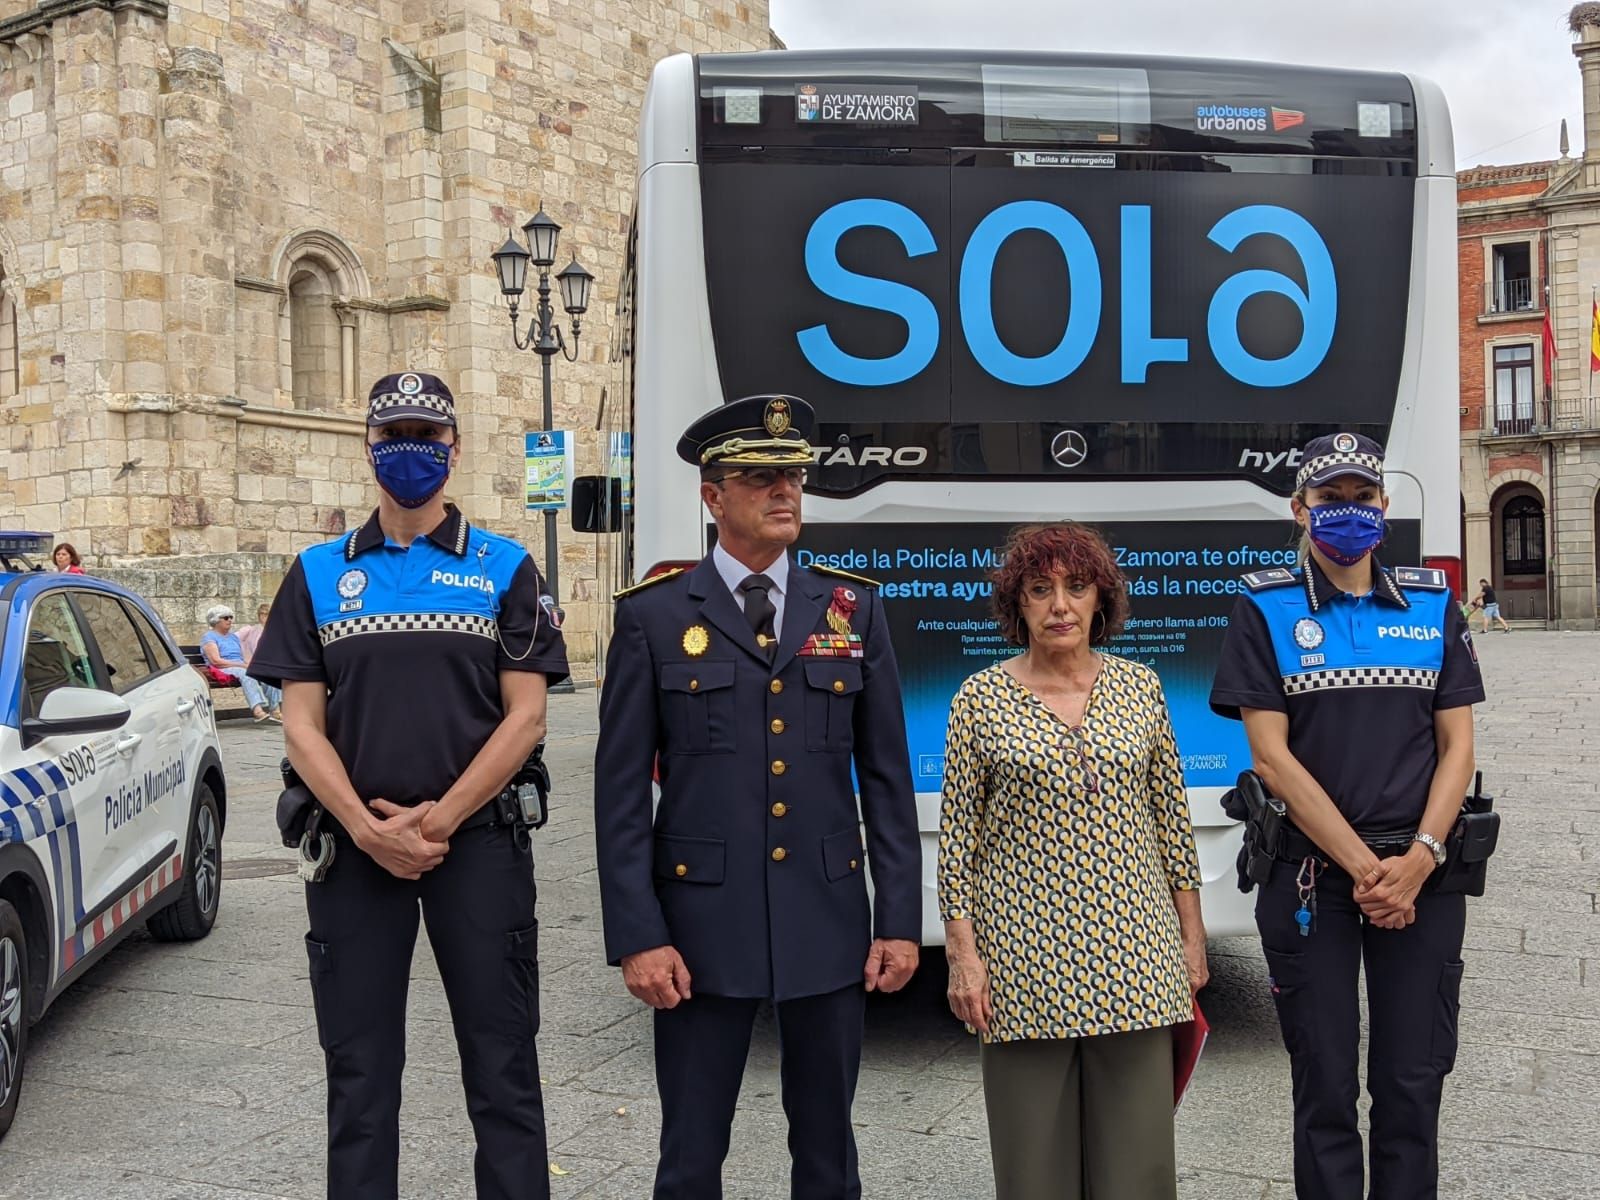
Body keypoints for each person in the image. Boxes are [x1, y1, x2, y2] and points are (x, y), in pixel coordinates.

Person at [248, 370, 569, 1200]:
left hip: (482, 849)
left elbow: (526, 717)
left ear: (454, 449)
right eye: (394, 435)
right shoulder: (318, 572)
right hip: (354, 856)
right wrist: (363, 828)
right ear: (368, 446)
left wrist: (438, 823)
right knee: (358, 1080)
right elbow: (300, 723)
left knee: (504, 1073)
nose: (410, 450)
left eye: (427, 434)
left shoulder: (506, 567)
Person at [593, 393, 922, 1200]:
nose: (785, 492)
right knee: (692, 1155)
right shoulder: (657, 617)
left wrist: (899, 925)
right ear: (713, 495)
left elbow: (885, 779)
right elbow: (621, 793)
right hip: (699, 932)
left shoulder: (851, 608)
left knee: (827, 1155)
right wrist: (639, 936)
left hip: (826, 920)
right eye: (761, 477)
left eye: (793, 477)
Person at [1209, 432, 1485, 1200]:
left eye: (1362, 497)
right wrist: (1367, 870)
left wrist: (1421, 858)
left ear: (1385, 507)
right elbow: (1271, 757)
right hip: (1311, 883)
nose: (1348, 512)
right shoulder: (1264, 606)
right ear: (1300, 509)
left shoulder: (1433, 604)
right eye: (1331, 499)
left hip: (1421, 880)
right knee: (1323, 1088)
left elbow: (1457, 746)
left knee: (1412, 1083)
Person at [939, 521, 1207, 1200]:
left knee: (1137, 1168)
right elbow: (957, 845)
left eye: (1076, 587)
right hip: (1023, 964)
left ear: (1100, 600)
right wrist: (964, 959)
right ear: (1016, 604)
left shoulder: (1140, 689)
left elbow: (1173, 824)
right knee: (1034, 1171)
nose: (1059, 605)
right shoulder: (979, 701)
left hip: (1135, 956)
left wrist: (1192, 938)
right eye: (1039, 589)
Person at [200, 605, 277, 723]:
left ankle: (275, 710)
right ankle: (257, 711)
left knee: (267, 672)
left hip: (238, 665)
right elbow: (216, 661)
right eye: (226, 618)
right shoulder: (209, 637)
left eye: (231, 617)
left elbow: (242, 656)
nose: (230, 620)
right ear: (215, 620)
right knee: (246, 673)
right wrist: (242, 665)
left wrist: (253, 665)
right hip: (222, 668)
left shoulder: (233, 637)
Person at [238, 603, 283, 720]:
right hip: (251, 664)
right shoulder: (250, 630)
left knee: (274, 673)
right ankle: (274, 709)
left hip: (266, 665)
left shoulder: (276, 632)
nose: (264, 618)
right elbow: (232, 639)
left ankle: (275, 709)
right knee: (270, 673)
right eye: (262, 615)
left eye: (267, 615)